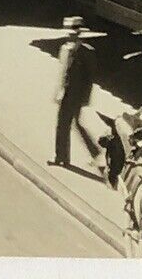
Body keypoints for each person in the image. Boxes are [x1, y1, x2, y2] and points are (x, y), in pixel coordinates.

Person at [52, 15, 99, 169]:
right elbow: (62, 72)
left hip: (76, 95)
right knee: (65, 125)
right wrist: (58, 91)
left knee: (72, 125)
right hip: (66, 93)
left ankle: (96, 155)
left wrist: (85, 98)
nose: (70, 35)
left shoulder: (86, 52)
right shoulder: (65, 49)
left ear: (79, 33)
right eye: (68, 32)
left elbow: (89, 78)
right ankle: (61, 157)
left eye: (73, 33)